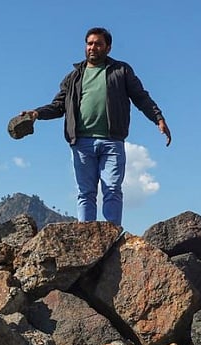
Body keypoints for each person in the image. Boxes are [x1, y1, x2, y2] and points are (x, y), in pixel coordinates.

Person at [22, 27, 171, 226]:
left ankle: (112, 237)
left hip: (112, 141)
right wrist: (36, 113)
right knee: (85, 193)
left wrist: (158, 118)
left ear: (108, 48)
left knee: (112, 190)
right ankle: (86, 237)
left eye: (98, 43)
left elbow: (141, 97)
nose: (93, 47)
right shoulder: (74, 77)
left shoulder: (121, 70)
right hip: (81, 142)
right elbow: (59, 106)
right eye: (89, 43)